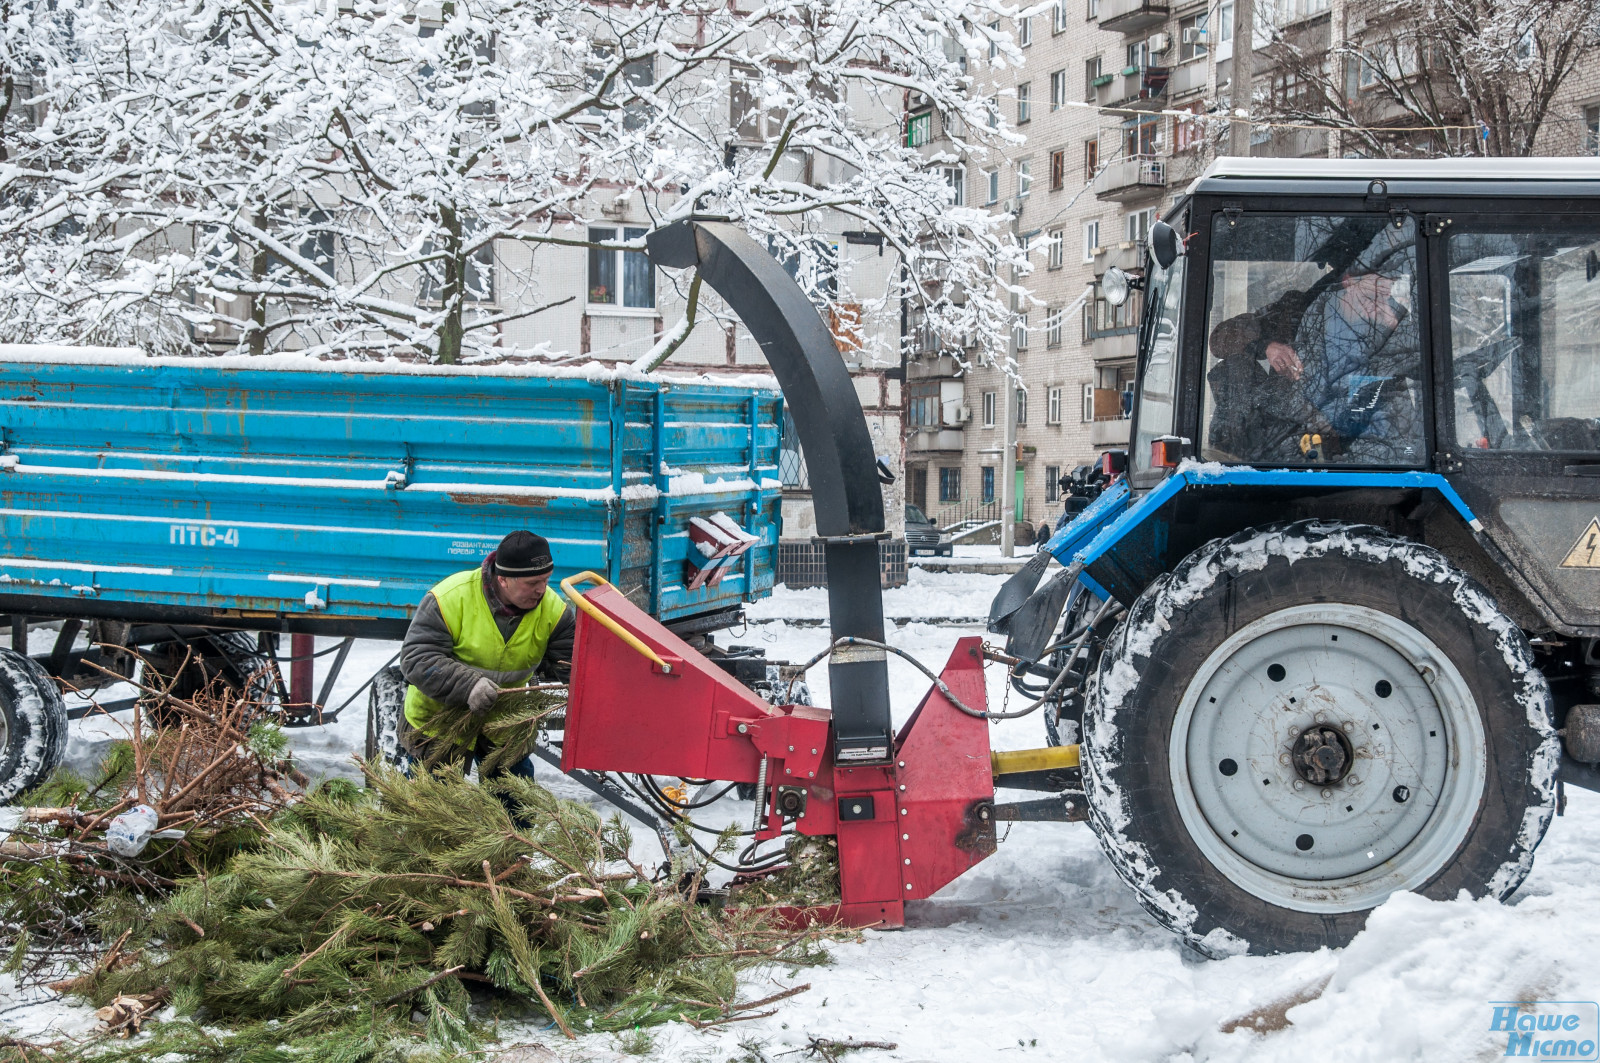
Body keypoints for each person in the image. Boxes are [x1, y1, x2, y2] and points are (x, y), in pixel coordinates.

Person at [399, 530, 575, 775]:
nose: (542, 590)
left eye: (546, 580)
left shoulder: (554, 612)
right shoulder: (450, 598)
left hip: (503, 723)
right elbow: (417, 658)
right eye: (532, 583)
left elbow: (571, 666)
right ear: (503, 579)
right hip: (439, 722)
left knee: (514, 808)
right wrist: (469, 685)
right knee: (436, 807)